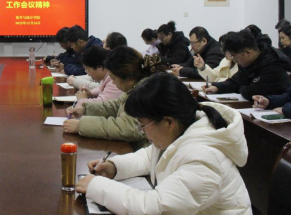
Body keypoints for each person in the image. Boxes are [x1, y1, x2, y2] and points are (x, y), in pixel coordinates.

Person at [76, 73, 252, 214]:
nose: (142, 131)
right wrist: (115, 167)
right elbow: (148, 157)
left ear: (168, 122)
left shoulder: (204, 158)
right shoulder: (179, 132)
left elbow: (156, 208)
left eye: (143, 125)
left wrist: (96, 186)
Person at [64, 47, 164, 150]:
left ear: (126, 77)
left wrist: (81, 125)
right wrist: (85, 109)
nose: (112, 82)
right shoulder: (135, 89)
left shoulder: (143, 94)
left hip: (142, 151)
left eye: (113, 78)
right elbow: (116, 105)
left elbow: (127, 128)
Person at [204, 30, 291, 100]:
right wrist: (217, 87)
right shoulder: (248, 62)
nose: (235, 60)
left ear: (248, 53)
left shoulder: (272, 65)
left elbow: (252, 93)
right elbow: (235, 81)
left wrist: (241, 87)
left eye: (235, 56)